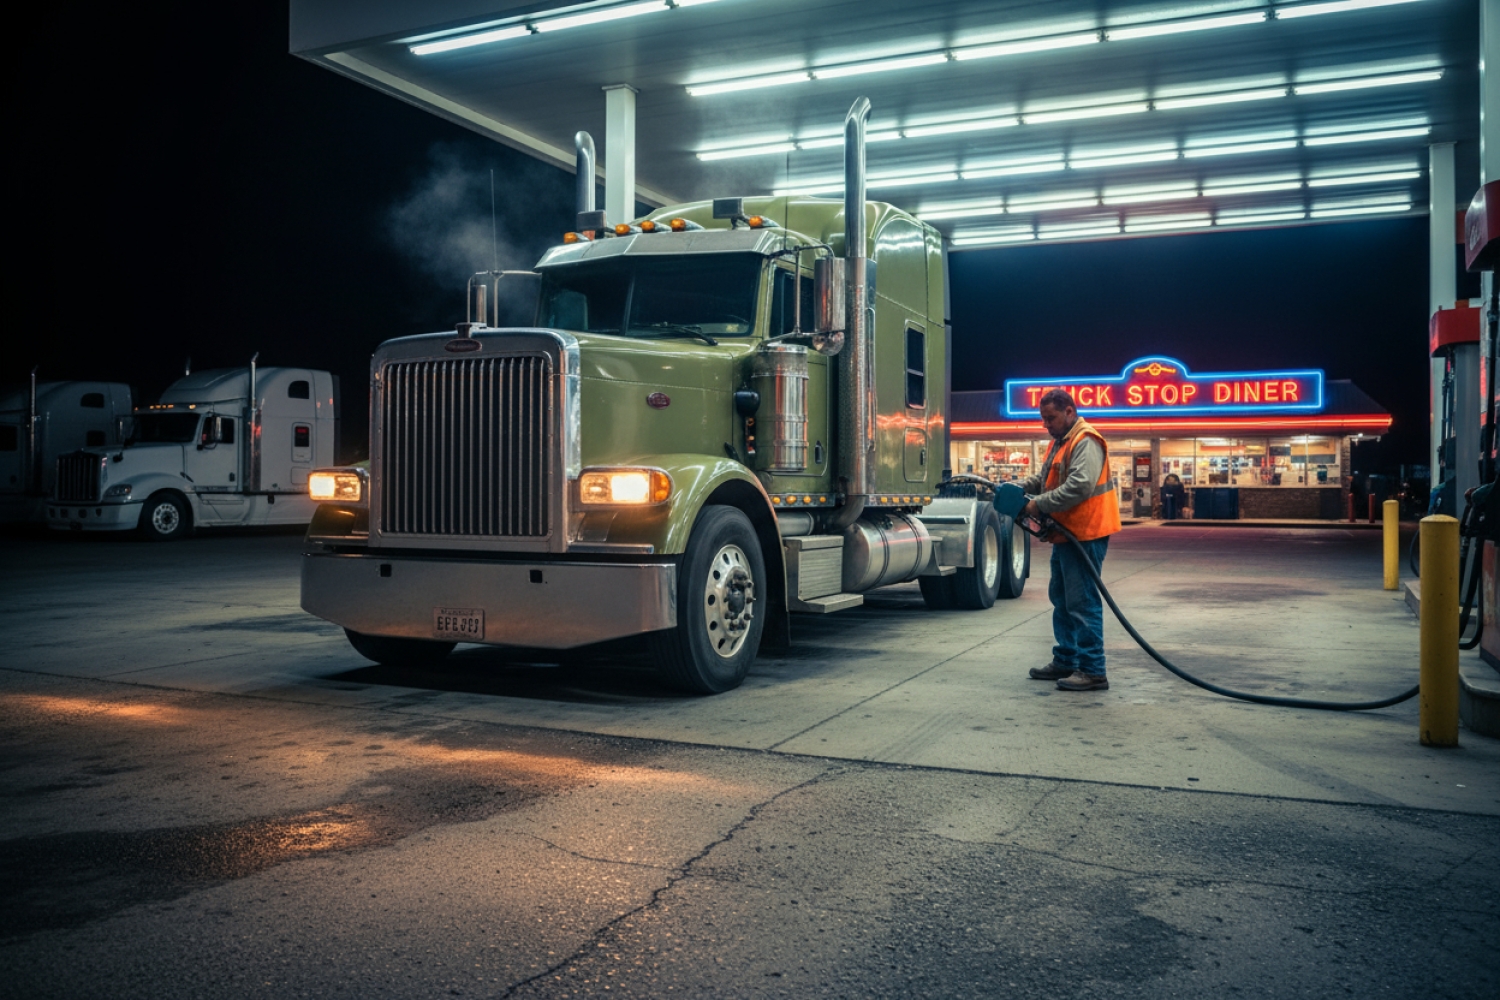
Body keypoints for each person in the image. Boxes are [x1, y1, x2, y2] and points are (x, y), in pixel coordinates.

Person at [1019, 389, 1123, 691]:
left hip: (1085, 533)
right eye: (1043, 419)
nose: (1046, 424)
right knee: (1062, 599)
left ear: (1069, 411)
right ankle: (1067, 659)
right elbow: (1047, 479)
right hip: (1067, 533)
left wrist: (1037, 504)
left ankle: (1093, 669)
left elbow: (1080, 485)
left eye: (1050, 418)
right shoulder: (1062, 441)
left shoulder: (1085, 440)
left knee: (1082, 602)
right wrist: (1017, 487)